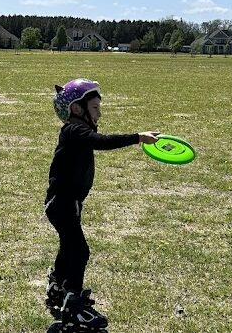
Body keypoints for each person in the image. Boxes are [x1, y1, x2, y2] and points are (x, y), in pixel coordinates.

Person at [44, 78, 158, 331]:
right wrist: (137, 137)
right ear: (77, 109)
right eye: (94, 108)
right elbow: (101, 142)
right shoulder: (74, 131)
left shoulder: (78, 133)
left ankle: (57, 285)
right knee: (80, 250)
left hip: (64, 203)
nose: (99, 113)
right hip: (62, 203)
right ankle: (74, 305)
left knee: (68, 246)